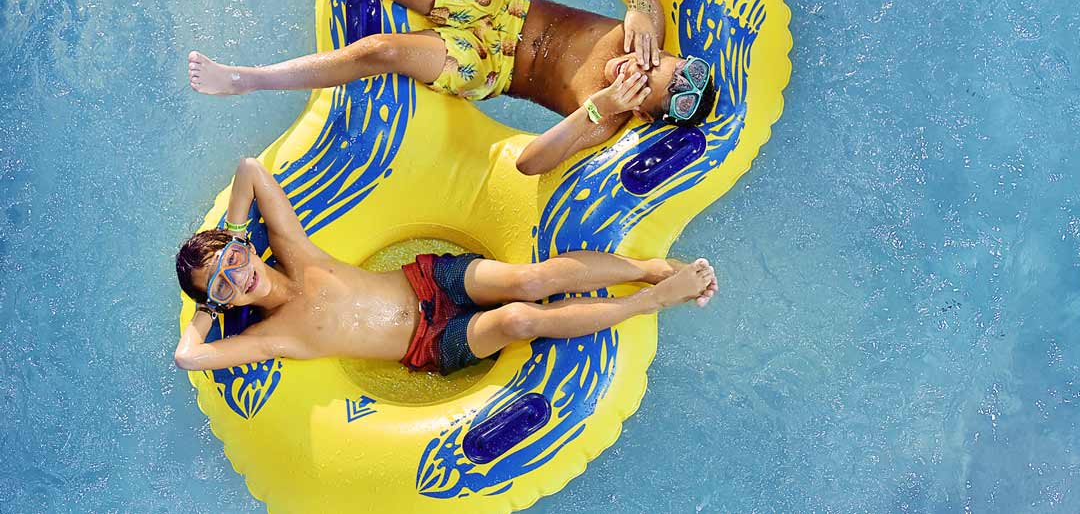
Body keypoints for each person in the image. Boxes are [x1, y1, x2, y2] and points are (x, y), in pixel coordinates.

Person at [184, 0, 718, 175]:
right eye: (657, 62)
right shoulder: (646, 33)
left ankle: (247, 80)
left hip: (487, 67)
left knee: (381, 53)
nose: (639, 67)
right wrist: (642, 6)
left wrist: (597, 109)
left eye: (645, 84)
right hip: (503, 5)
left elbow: (530, 162)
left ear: (644, 114)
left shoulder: (607, 119)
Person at [173, 157, 719, 373]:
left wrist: (236, 231)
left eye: (235, 259)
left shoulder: (296, 254)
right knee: (519, 320)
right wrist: (206, 306)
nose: (240, 273)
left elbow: (249, 170)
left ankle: (645, 268)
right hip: (430, 345)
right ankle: (649, 301)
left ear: (242, 247)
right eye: (225, 283)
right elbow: (188, 357)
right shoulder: (275, 336)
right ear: (223, 299)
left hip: (428, 279)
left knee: (528, 280)